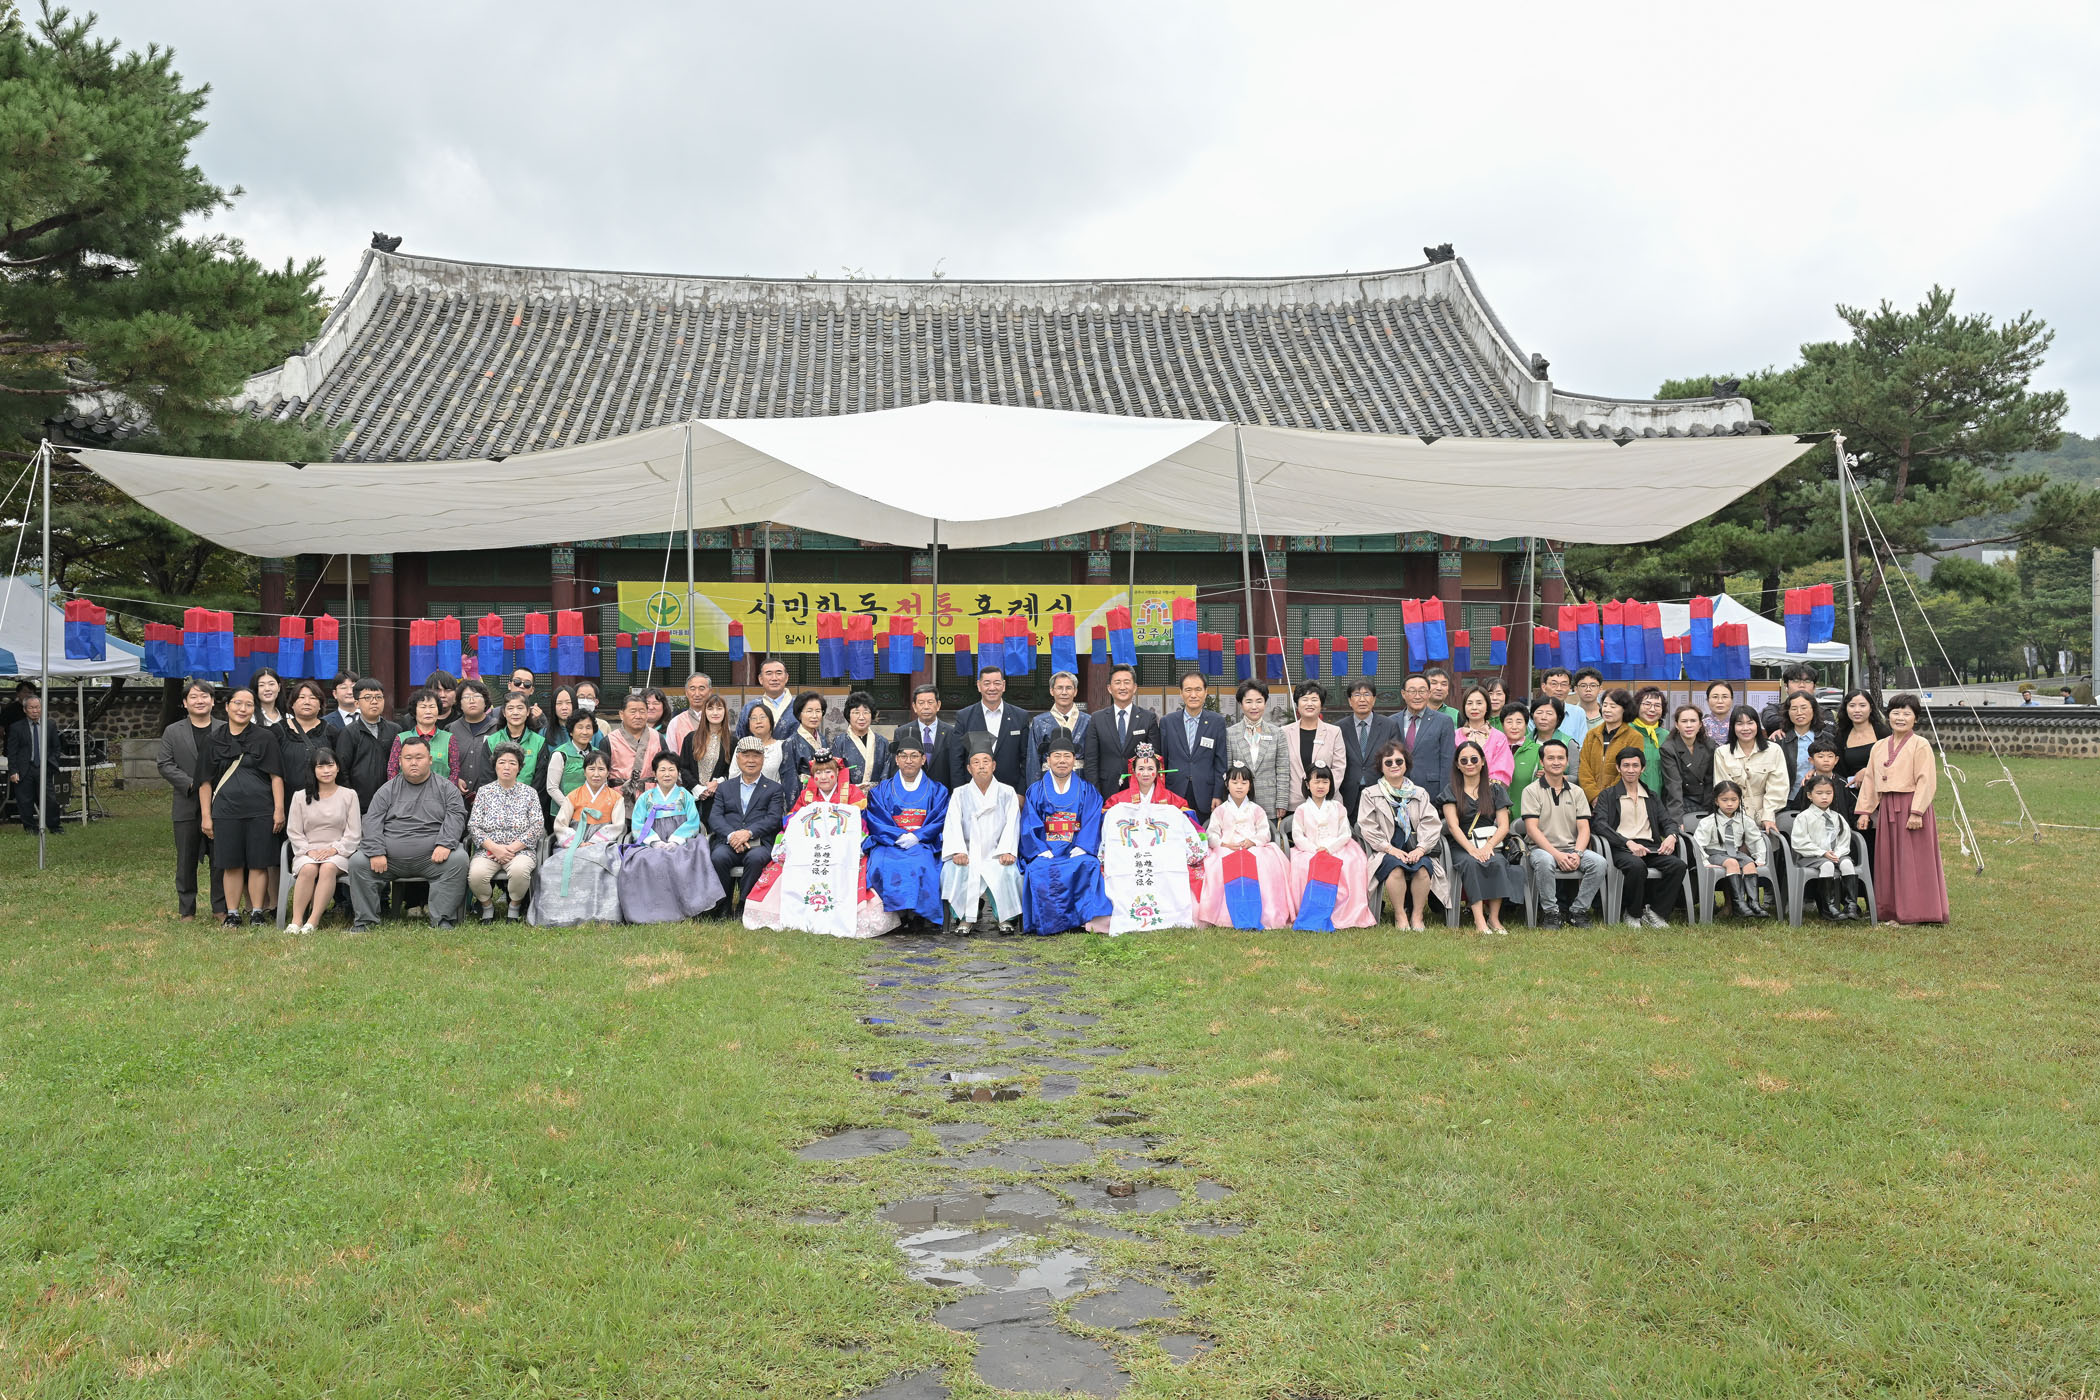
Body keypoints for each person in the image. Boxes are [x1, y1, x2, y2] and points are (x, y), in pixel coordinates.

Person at [745, 750, 893, 937]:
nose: (823, 777)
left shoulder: (852, 793)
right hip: (809, 849)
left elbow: (862, 822)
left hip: (843, 849)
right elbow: (791, 821)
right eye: (818, 773)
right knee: (782, 868)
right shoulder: (806, 795)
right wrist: (784, 841)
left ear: (837, 773)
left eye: (828, 772)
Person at [350, 734, 469, 930]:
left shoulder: (447, 788)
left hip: (432, 858)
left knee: (458, 859)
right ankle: (365, 921)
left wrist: (445, 843)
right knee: (358, 862)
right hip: (389, 860)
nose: (414, 762)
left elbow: (456, 816)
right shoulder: (386, 790)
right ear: (400, 761)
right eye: (408, 758)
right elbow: (372, 821)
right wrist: (376, 851)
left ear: (430, 759)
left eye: (419, 757)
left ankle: (442, 919)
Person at [1853, 693, 1950, 925]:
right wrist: (1865, 811)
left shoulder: (1920, 744)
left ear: (1915, 718)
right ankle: (1891, 911)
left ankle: (1916, 912)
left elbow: (1926, 780)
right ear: (1888, 716)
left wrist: (1917, 811)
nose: (1900, 718)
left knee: (1912, 860)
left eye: (1907, 713)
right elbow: (1870, 779)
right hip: (1887, 806)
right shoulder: (1879, 746)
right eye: (1896, 713)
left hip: (1911, 805)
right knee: (1888, 861)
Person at [198, 687, 286, 928]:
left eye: (248, 704)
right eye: (237, 703)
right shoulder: (213, 740)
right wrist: (206, 816)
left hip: (261, 810)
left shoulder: (265, 738)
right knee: (231, 863)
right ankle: (233, 913)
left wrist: (279, 809)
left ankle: (257, 911)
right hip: (225, 811)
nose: (242, 709)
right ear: (227, 706)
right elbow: (204, 782)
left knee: (259, 862)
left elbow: (276, 776)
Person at [1016, 735, 1114, 935]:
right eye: (1057, 756)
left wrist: (1083, 846)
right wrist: (1040, 849)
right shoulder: (1035, 790)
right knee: (1037, 868)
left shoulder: (1087, 790)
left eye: (1067, 756)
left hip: (1075, 846)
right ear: (1048, 760)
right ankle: (1047, 922)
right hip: (1046, 848)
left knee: (1089, 864)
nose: (1062, 761)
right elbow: (1029, 822)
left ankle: (1084, 920)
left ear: (1074, 760)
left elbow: (1092, 820)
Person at [619, 752, 725, 924]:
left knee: (687, 856)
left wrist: (676, 840)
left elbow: (693, 821)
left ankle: (688, 907)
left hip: (681, 840)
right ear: (655, 773)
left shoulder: (685, 795)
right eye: (662, 770)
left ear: (678, 772)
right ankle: (652, 909)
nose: (667, 774)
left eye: (671, 769)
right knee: (643, 860)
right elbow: (638, 824)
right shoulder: (645, 798)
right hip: (651, 842)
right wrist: (654, 841)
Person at [863, 734, 950, 930]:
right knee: (880, 863)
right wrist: (898, 836)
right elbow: (876, 818)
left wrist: (917, 836)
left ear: (923, 759)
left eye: (914, 756)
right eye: (903, 756)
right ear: (897, 760)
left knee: (922, 864)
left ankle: (918, 913)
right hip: (889, 842)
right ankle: (893, 914)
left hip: (923, 843)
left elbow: (940, 819)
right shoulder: (881, 790)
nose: (909, 760)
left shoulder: (937, 790)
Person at [1356, 742, 1447, 930]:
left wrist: (1421, 848)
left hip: (1416, 848)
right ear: (1381, 767)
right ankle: (1400, 915)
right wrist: (1390, 849)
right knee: (1395, 869)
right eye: (1388, 762)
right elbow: (1367, 826)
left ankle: (1417, 916)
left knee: (1423, 870)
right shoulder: (1370, 794)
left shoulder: (1419, 793)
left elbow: (1431, 823)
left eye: (1399, 761)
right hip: (1385, 849)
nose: (1394, 765)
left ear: (1406, 764)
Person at [1591, 747, 1686, 928]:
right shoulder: (1608, 795)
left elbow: (1668, 822)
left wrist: (1672, 836)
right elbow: (1599, 825)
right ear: (1618, 768)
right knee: (1636, 866)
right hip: (1621, 848)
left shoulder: (1651, 796)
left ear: (1643, 768)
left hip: (1650, 847)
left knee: (1678, 865)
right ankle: (1633, 913)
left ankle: (1656, 912)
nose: (1631, 770)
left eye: (1635, 765)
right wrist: (1627, 842)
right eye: (1626, 765)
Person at [157, 678, 227, 919]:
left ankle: (220, 907)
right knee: (186, 860)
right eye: (194, 697)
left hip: (221, 803)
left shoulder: (225, 729)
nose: (200, 701)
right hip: (186, 804)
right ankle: (187, 910)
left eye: (204, 696)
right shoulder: (173, 731)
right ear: (185, 703)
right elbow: (165, 764)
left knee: (220, 858)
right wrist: (192, 784)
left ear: (213, 701)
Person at [1196, 761, 1296, 929]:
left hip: (1252, 847)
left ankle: (1264, 911)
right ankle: (1224, 914)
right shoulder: (1220, 810)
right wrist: (1223, 843)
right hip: (1226, 848)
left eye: (1244, 782)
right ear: (1227, 784)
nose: (1239, 786)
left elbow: (1265, 832)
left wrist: (1253, 841)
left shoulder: (1256, 809)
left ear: (1250, 786)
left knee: (1262, 864)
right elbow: (1211, 833)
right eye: (1235, 782)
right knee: (1217, 865)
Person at [531, 750, 624, 927]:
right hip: (574, 840)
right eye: (591, 769)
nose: (596, 774)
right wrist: (577, 841)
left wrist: (594, 841)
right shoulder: (573, 796)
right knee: (552, 866)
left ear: (608, 772)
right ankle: (557, 914)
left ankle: (601, 914)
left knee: (600, 865)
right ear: (584, 771)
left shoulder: (616, 798)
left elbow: (617, 826)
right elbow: (560, 824)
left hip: (603, 843)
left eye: (601, 769)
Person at [942, 732, 1024, 933]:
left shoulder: (1007, 792)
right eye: (976, 762)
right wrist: (958, 851)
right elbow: (952, 824)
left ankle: (1005, 918)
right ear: (969, 768)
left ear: (993, 765)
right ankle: (965, 917)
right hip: (968, 853)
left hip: (997, 852)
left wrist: (1007, 851)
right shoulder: (960, 793)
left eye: (986, 761)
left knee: (1008, 872)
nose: (981, 766)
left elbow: (1013, 824)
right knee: (954, 871)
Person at [1442, 739, 1526, 935]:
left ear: (1482, 761)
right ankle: (1479, 919)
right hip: (1461, 845)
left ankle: (1494, 918)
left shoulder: (1495, 789)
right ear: (1457, 765)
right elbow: (1453, 826)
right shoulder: (1451, 791)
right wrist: (1471, 850)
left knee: (1497, 862)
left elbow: (1504, 825)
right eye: (1464, 760)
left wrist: (1488, 847)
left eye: (1474, 759)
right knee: (1471, 863)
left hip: (1490, 842)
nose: (1469, 764)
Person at [1520, 738, 1605, 928]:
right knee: (1545, 861)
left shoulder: (1577, 792)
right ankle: (1551, 913)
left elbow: (1584, 828)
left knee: (1599, 863)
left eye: (1561, 758)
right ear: (1542, 762)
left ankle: (1578, 911)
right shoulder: (1531, 791)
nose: (1556, 762)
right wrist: (1556, 854)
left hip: (1572, 848)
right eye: (1550, 758)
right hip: (1540, 849)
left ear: (1567, 761)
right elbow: (1532, 829)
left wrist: (1578, 853)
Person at [463, 742, 546, 922]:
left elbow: (537, 825)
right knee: (476, 874)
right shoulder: (484, 792)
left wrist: (511, 849)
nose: (507, 767)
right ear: (495, 766)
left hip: (520, 850)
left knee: (519, 870)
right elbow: (474, 826)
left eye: (512, 763)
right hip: (489, 851)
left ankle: (514, 907)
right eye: (502, 762)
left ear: (519, 768)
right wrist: (495, 848)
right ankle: (487, 906)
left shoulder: (529, 793)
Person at [1287, 763, 1374, 929]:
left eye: (1325, 782)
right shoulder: (1302, 809)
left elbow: (1345, 833)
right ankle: (1311, 911)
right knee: (1303, 866)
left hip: (1337, 848)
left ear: (1331, 784)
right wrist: (1314, 850)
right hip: (1310, 850)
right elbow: (1297, 836)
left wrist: (1330, 849)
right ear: (1307, 784)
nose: (1320, 786)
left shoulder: (1338, 807)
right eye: (1316, 781)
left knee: (1351, 865)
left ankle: (1346, 912)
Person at [284, 746, 358, 933]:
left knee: (328, 867)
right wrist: (309, 850)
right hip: (307, 851)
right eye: (320, 767)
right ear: (313, 770)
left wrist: (335, 849)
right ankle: (296, 921)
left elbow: (354, 832)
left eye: (330, 765)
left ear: (338, 767)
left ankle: (312, 921)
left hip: (339, 851)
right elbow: (294, 831)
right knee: (308, 868)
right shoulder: (300, 797)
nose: (326, 771)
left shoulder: (349, 795)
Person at [707, 736, 787, 907]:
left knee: (756, 858)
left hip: (759, 843)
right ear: (738, 758)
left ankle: (746, 906)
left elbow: (773, 818)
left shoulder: (774, 788)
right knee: (719, 857)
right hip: (729, 842)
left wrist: (748, 833)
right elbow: (715, 817)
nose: (751, 760)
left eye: (756, 755)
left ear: (763, 759)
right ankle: (722, 906)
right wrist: (732, 836)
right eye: (746, 755)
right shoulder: (725, 787)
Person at [1691, 781, 1772, 919]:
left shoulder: (1744, 820)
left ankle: (1754, 903)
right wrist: (1704, 862)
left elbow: (1755, 839)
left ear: (1739, 800)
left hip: (1735, 853)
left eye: (1734, 800)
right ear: (1716, 801)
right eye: (1725, 800)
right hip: (1714, 853)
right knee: (1732, 863)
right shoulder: (1708, 822)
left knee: (1749, 863)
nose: (1729, 804)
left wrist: (1760, 858)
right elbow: (1698, 844)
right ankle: (1738, 905)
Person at [1793, 773, 1864, 921]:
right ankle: (1828, 907)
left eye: (1828, 793)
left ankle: (1850, 905)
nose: (1824, 797)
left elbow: (1844, 839)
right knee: (1827, 865)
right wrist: (1822, 853)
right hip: (1812, 857)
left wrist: (1838, 853)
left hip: (1835, 854)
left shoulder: (1837, 817)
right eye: (1819, 793)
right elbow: (1800, 841)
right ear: (1810, 795)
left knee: (1847, 863)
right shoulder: (1804, 817)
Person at [1226, 680, 1292, 837]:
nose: (1254, 706)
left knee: (1268, 843)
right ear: (1241, 704)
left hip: (1269, 802)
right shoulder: (1230, 733)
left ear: (1265, 703)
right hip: (1239, 801)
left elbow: (1283, 770)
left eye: (1259, 701)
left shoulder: (1277, 733)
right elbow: (1227, 770)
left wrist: (1282, 801)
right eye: (1249, 701)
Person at [1079, 664, 1156, 795]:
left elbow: (1155, 757)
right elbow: (1091, 760)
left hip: (1139, 789)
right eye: (1117, 682)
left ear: (1134, 687)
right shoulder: (1097, 719)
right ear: (1109, 688)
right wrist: (1096, 793)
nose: (1122, 687)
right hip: (1106, 788)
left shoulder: (1148, 718)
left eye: (1127, 682)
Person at [1161, 671, 1230, 815]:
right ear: (1181, 693)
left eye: (1198, 689)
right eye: (1188, 690)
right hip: (1174, 792)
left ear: (1206, 692)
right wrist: (1162, 793)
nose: (1193, 695)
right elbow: (1162, 761)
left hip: (1206, 794)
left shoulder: (1216, 722)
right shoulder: (1168, 722)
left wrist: (1218, 794)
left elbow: (1220, 762)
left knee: (1204, 829)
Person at [955, 665, 1031, 792]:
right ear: (979, 686)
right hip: (973, 791)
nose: (992, 688)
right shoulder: (964, 717)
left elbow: (1026, 758)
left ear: (1003, 685)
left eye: (997, 683)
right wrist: (960, 791)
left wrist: (1021, 792)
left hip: (1010, 791)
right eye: (987, 683)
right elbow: (956, 759)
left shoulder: (1020, 716)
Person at [1713, 707, 1787, 834]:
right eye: (1739, 724)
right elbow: (1723, 789)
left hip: (1766, 818)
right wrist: (1741, 820)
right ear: (1732, 727)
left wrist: (1768, 816)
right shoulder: (1722, 753)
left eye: (1750, 723)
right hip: (1733, 817)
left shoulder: (1774, 750)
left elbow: (1778, 787)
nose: (1745, 728)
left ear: (1757, 725)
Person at [1337, 678, 1400, 817]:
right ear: (1350, 701)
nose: (1362, 699)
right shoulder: (1339, 728)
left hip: (1381, 792)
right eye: (1357, 695)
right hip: (1348, 793)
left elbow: (1396, 760)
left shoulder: (1389, 726)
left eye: (1367, 694)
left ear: (1374, 699)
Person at [335, 679, 400, 810]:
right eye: (368, 697)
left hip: (392, 801)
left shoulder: (395, 730)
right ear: (357, 703)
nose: (374, 701)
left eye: (378, 697)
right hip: (359, 804)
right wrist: (351, 799)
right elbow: (342, 770)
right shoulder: (349, 733)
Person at [1393, 673, 1457, 804]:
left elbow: (1447, 761)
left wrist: (1445, 797)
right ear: (1403, 694)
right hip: (1397, 791)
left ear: (1428, 693)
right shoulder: (1391, 722)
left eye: (1422, 691)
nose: (1417, 696)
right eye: (1412, 691)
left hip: (1432, 792)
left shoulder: (1443, 721)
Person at [676, 693, 736, 824]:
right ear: (704, 712)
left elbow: (733, 770)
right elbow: (683, 767)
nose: (715, 712)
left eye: (719, 708)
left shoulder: (732, 741)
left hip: (719, 799)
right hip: (692, 798)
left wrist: (718, 782)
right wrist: (697, 788)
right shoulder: (691, 738)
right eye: (710, 708)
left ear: (725, 712)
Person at [5, 690, 59, 835]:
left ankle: (55, 827)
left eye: (37, 707)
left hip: (43, 767)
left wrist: (51, 764)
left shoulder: (50, 725)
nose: (35, 711)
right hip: (24, 768)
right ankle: (30, 828)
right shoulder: (16, 727)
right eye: (31, 708)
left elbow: (56, 747)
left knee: (50, 799)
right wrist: (13, 770)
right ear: (25, 710)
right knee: (25, 801)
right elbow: (12, 751)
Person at [1026, 670, 1091, 787]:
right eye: (1059, 688)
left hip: (1081, 780)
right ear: (1052, 691)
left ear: (1075, 691)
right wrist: (1034, 789)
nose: (1064, 692)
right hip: (1048, 781)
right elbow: (1033, 760)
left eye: (1068, 688)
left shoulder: (1088, 721)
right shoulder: (1039, 722)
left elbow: (1093, 758)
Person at [1285, 680, 1345, 807]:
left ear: (1321, 704)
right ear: (1297, 704)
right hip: (1295, 802)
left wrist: (1321, 792)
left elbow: (1339, 768)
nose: (1309, 704)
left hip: (1327, 802)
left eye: (1314, 699)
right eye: (1304, 699)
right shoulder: (1284, 732)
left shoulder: (1334, 732)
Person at [1576, 689, 1642, 802]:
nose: (1607, 709)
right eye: (1605, 705)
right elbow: (1584, 768)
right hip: (1591, 801)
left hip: (1620, 799)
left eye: (1613, 706)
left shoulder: (1634, 737)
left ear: (1624, 709)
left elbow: (1629, 770)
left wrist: (1606, 798)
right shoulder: (1592, 735)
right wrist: (1594, 796)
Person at [444, 680, 502, 799]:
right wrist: (454, 779)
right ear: (460, 703)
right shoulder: (451, 729)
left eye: (476, 696)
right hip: (457, 797)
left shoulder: (499, 728)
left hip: (492, 796)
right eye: (466, 697)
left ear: (485, 701)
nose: (472, 700)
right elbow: (444, 762)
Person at [896, 684, 961, 789]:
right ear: (914, 707)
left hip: (943, 792)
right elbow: (896, 767)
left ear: (938, 705)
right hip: (912, 792)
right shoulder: (902, 732)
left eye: (930, 702)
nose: (926, 707)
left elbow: (956, 767)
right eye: (921, 703)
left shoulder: (951, 732)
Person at [1661, 704, 1718, 823]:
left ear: (1700, 724)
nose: (1689, 725)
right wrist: (1677, 820)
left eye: (1693, 721)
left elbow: (1710, 781)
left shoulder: (1709, 745)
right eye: (1684, 721)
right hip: (1682, 800)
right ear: (1677, 725)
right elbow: (1673, 786)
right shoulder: (1668, 748)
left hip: (1706, 801)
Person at [1770, 692, 1827, 801]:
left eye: (1804, 708)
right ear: (1788, 713)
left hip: (1820, 799)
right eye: (1794, 709)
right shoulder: (1778, 740)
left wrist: (1818, 771)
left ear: (1813, 710)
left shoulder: (1827, 739)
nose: (1799, 713)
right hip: (1786, 800)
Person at [1784, 739, 1855, 824]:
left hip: (1840, 828)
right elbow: (1798, 808)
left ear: (1836, 760)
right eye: (1821, 756)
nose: (1826, 760)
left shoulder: (1844, 784)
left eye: (1830, 756)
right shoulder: (1807, 784)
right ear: (1811, 760)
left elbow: (1852, 808)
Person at [386, 690, 451, 781]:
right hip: (405, 789)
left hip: (441, 789)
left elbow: (455, 771)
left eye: (432, 706)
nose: (428, 711)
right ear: (414, 711)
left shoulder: (448, 738)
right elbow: (392, 770)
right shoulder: (401, 738)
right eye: (423, 707)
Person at [1455, 685, 1514, 786]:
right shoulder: (1454, 735)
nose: (1474, 707)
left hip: (1490, 792)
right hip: (1459, 789)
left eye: (1479, 703)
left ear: (1487, 706)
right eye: (1469, 703)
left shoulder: (1499, 737)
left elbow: (1503, 769)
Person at [607, 689, 666, 789]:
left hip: (651, 794)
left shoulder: (658, 738)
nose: (638, 716)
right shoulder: (610, 740)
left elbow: (666, 766)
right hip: (618, 794)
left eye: (642, 711)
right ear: (621, 714)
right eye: (633, 712)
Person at [544, 712, 605, 804]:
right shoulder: (560, 754)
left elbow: (604, 783)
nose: (584, 732)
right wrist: (570, 807)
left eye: (588, 728)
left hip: (593, 809)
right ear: (571, 732)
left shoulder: (598, 754)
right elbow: (552, 788)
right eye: (580, 727)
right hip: (564, 809)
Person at [836, 689, 891, 789]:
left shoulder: (882, 742)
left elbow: (887, 772)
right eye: (856, 713)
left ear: (872, 715)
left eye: (866, 712)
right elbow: (835, 772)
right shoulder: (839, 742)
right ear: (848, 715)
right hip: (849, 795)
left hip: (876, 795)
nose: (861, 717)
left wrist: (880, 792)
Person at [1508, 697, 1563, 796]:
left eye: (1549, 713)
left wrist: (1555, 775)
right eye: (1539, 713)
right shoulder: (1523, 742)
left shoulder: (1567, 742)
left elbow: (1576, 776)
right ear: (1532, 716)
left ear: (1558, 718)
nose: (1543, 717)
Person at [778, 690, 831, 790]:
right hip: (804, 793)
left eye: (818, 711)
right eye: (809, 711)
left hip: (825, 791)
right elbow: (789, 779)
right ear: (799, 714)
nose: (814, 716)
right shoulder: (790, 743)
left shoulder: (823, 739)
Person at [1834, 689, 1888, 786]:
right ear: (1846, 708)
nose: (1857, 710)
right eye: (1852, 706)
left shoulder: (1882, 732)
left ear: (1870, 708)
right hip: (1851, 789)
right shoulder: (1841, 735)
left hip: (1880, 787)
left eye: (1862, 705)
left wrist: (1868, 771)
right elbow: (1839, 769)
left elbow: (1892, 761)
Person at [736, 658, 794, 738]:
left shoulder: (800, 706)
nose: (774, 678)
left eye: (779, 673)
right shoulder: (749, 707)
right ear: (760, 679)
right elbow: (741, 737)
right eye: (769, 673)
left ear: (786, 678)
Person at [663, 672, 716, 755]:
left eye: (702, 688)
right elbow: (671, 756)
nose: (697, 694)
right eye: (692, 689)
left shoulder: (718, 720)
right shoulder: (675, 722)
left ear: (710, 692)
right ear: (686, 692)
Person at [1628, 687, 1668, 795]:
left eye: (1657, 705)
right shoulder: (1626, 732)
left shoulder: (1666, 736)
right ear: (1637, 706)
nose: (1652, 709)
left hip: (1660, 798)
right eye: (1647, 704)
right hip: (1631, 796)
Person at [1760, 664, 1821, 732]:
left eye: (1807, 681)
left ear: (1814, 687)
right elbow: (1770, 723)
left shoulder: (1825, 711)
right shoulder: (1773, 709)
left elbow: (1826, 728)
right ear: (1786, 686)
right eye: (1796, 681)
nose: (1802, 685)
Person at [1563, 667, 1604, 748]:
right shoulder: (1567, 715)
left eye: (1593, 685)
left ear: (1600, 689)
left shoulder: (1608, 715)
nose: (1588, 689)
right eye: (1583, 685)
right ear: (1576, 689)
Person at [505, 666, 545, 730]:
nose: (521, 686)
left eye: (527, 683)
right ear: (509, 685)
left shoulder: (538, 715)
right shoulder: (495, 713)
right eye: (517, 682)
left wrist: (535, 722)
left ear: (532, 690)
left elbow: (546, 735)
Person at [1701, 680, 1738, 747]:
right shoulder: (1701, 726)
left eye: (1725, 697)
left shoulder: (1739, 724)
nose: (1720, 701)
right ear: (1707, 700)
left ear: (1732, 700)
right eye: (1715, 697)